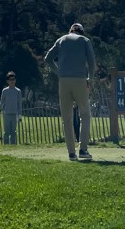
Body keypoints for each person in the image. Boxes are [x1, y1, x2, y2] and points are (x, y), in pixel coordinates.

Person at [44, 23, 96, 161]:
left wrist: (58, 72)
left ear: (70, 31)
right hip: (79, 79)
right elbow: (92, 62)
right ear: (82, 32)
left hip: (63, 80)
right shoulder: (85, 41)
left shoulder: (61, 40)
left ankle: (71, 153)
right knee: (85, 114)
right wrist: (90, 79)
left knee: (66, 118)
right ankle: (83, 149)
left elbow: (47, 59)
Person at [0, 71, 22, 145]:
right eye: (10, 80)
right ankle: (6, 145)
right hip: (6, 113)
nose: (12, 81)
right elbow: (2, 102)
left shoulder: (18, 91)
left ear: (15, 80)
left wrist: (20, 115)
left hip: (15, 114)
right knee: (6, 131)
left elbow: (19, 104)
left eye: (13, 79)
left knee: (13, 131)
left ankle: (13, 145)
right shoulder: (5, 91)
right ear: (8, 81)